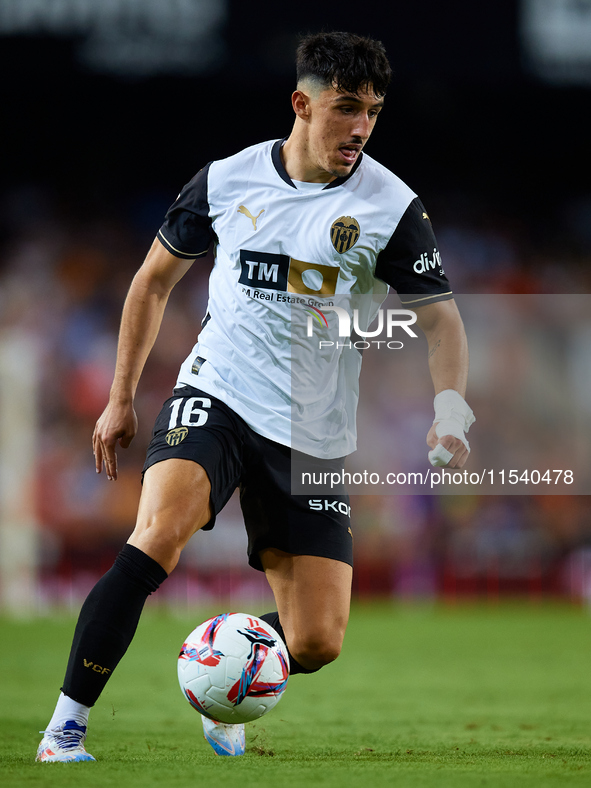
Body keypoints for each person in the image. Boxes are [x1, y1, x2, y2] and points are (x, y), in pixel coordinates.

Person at [36, 30, 474, 762]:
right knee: (158, 536)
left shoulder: (391, 207)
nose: (360, 127)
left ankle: (227, 668)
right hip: (219, 392)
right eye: (344, 109)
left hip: (311, 431)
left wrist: (449, 407)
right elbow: (151, 282)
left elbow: (442, 320)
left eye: (372, 111)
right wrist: (120, 398)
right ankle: (64, 727)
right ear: (302, 104)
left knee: (316, 640)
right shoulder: (227, 179)